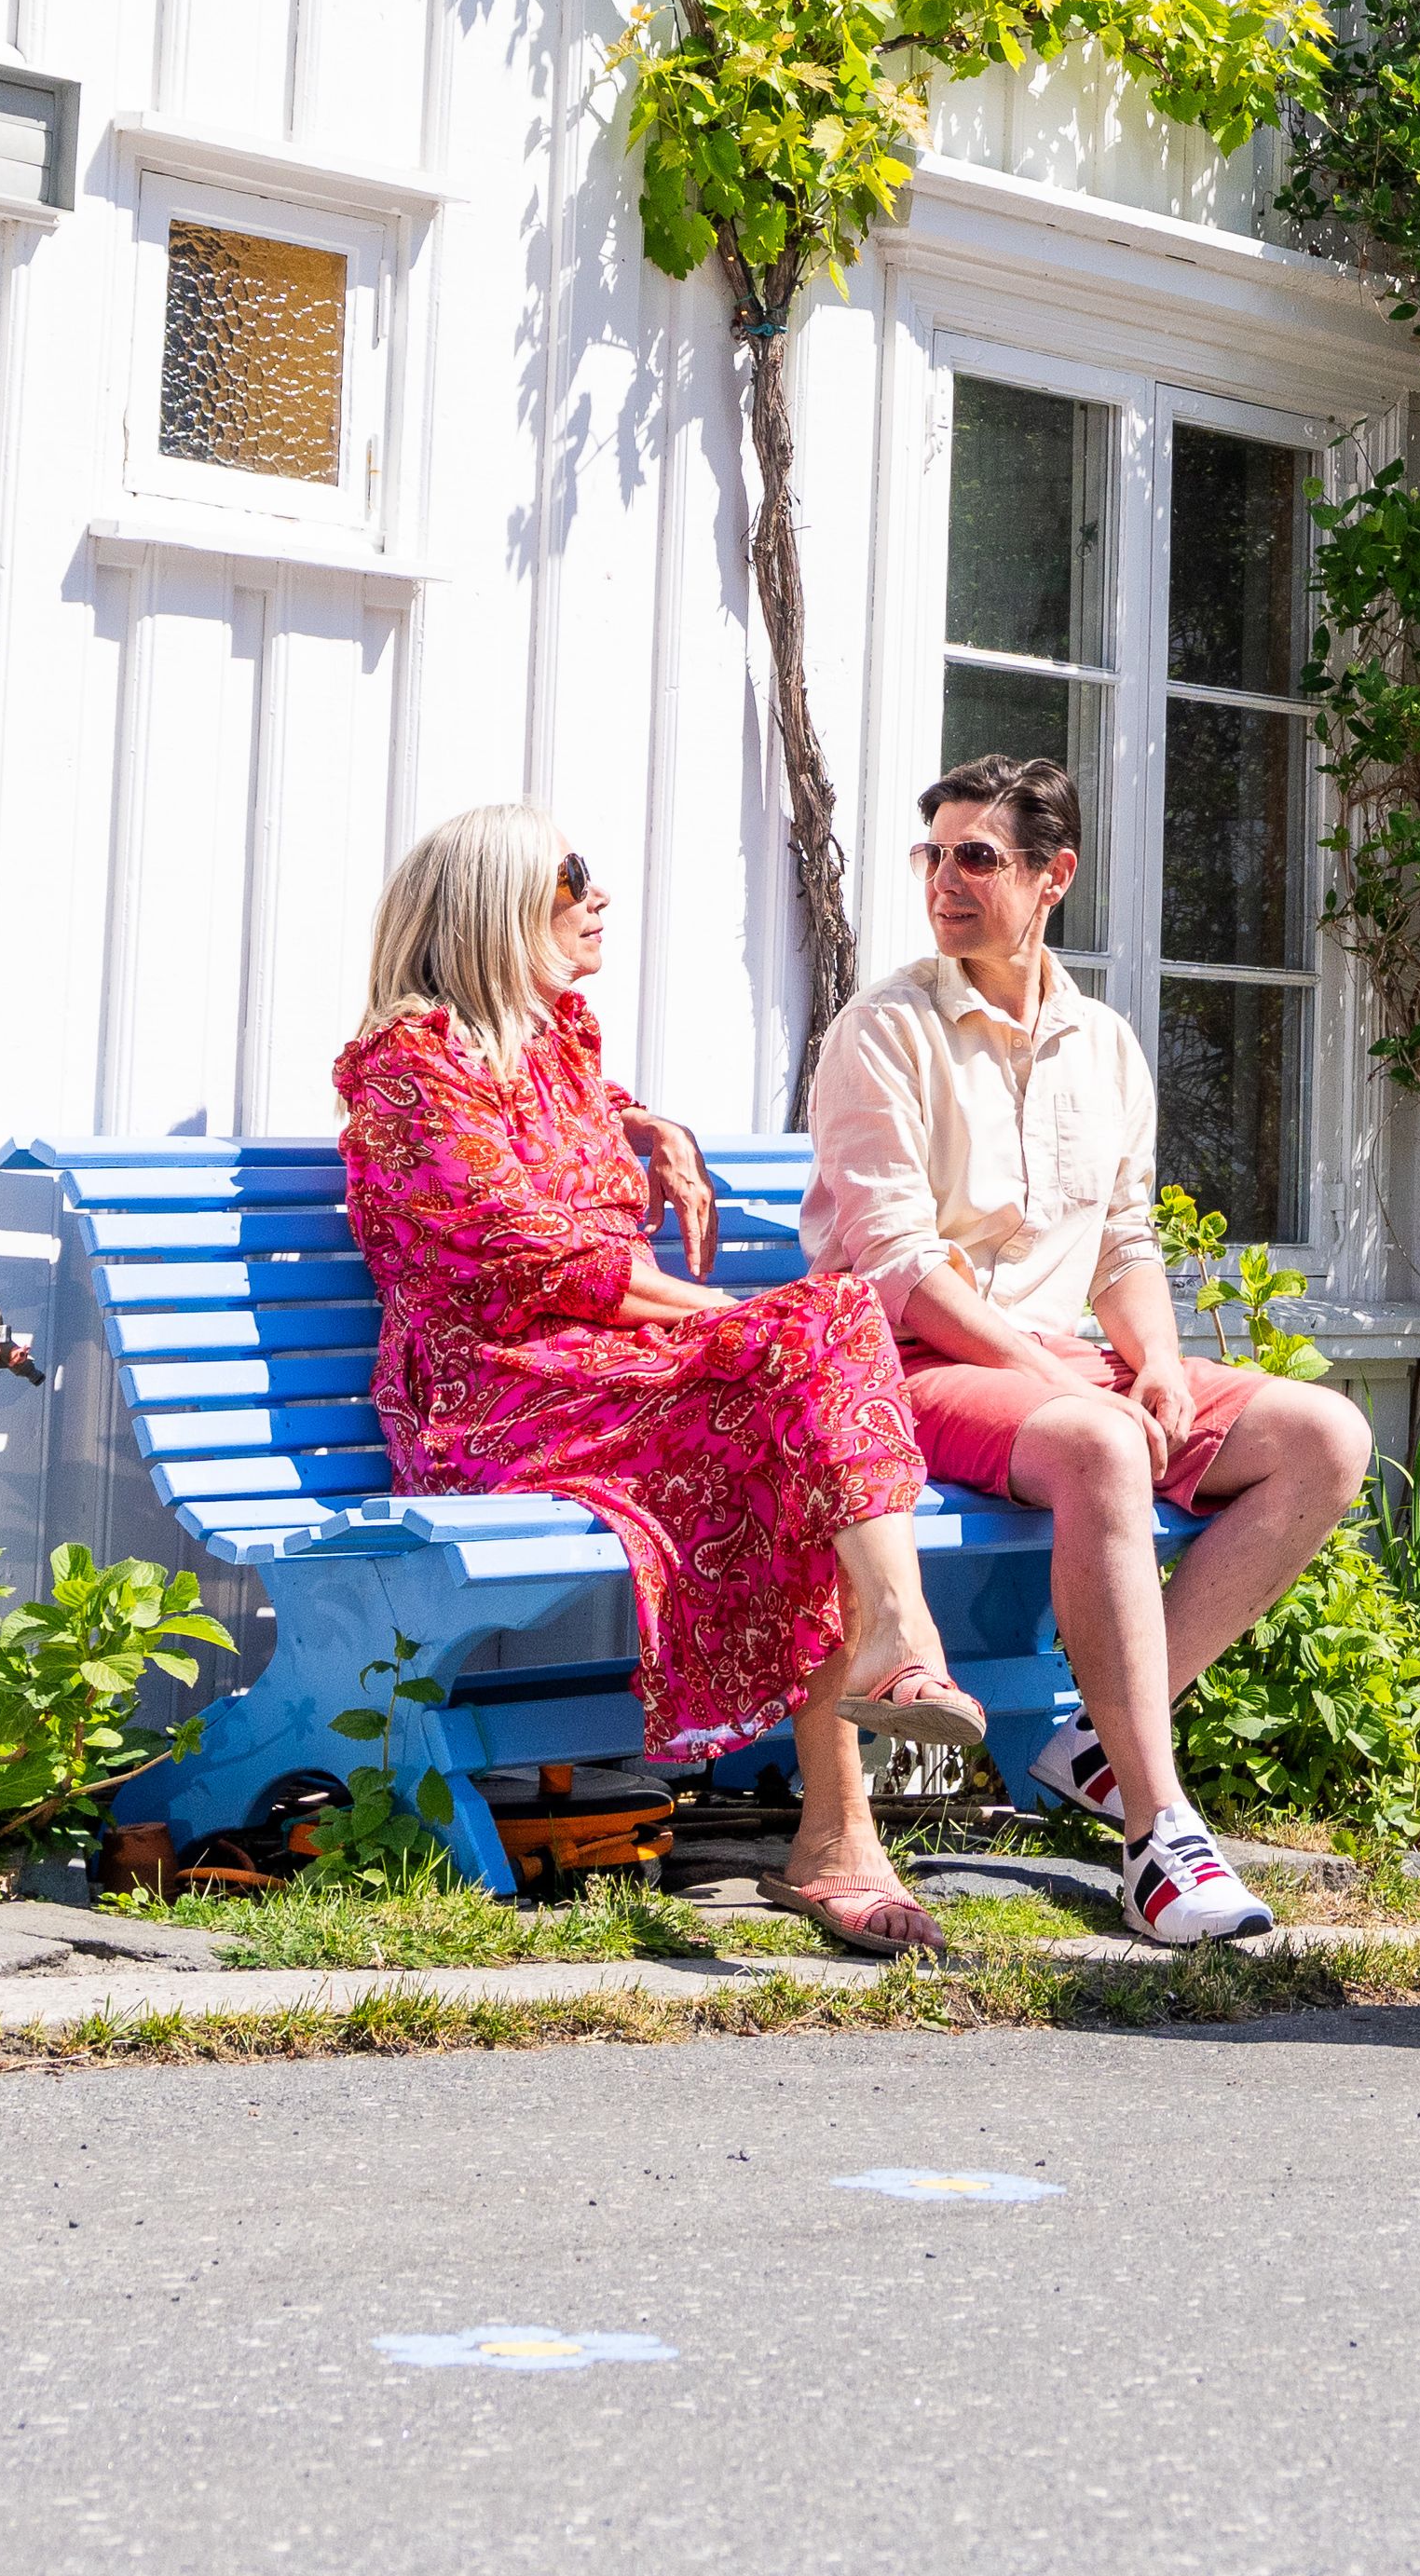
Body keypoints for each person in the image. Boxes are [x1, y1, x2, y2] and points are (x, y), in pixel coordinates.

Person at [337, 804, 978, 1957]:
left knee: (798, 1409)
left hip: (603, 1379)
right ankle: (868, 1734)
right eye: (570, 877)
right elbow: (530, 1256)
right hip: (493, 1397)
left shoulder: (554, 1045)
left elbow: (564, 1136)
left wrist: (651, 1122)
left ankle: (854, 1796)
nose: (598, 898)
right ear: (492, 903)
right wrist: (735, 1315)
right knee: (815, 1341)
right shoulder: (407, 1068)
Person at [808, 750, 1368, 1952]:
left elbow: (1122, 1241)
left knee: (1324, 1435)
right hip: (901, 1368)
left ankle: (1097, 1749)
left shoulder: (1103, 1044)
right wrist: (1063, 1376)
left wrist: (1156, 1357)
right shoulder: (885, 1029)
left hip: (1058, 1366)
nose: (946, 880)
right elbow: (900, 1268)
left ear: (1051, 876)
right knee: (1105, 1440)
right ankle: (1158, 1839)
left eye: (978, 857)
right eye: (933, 854)